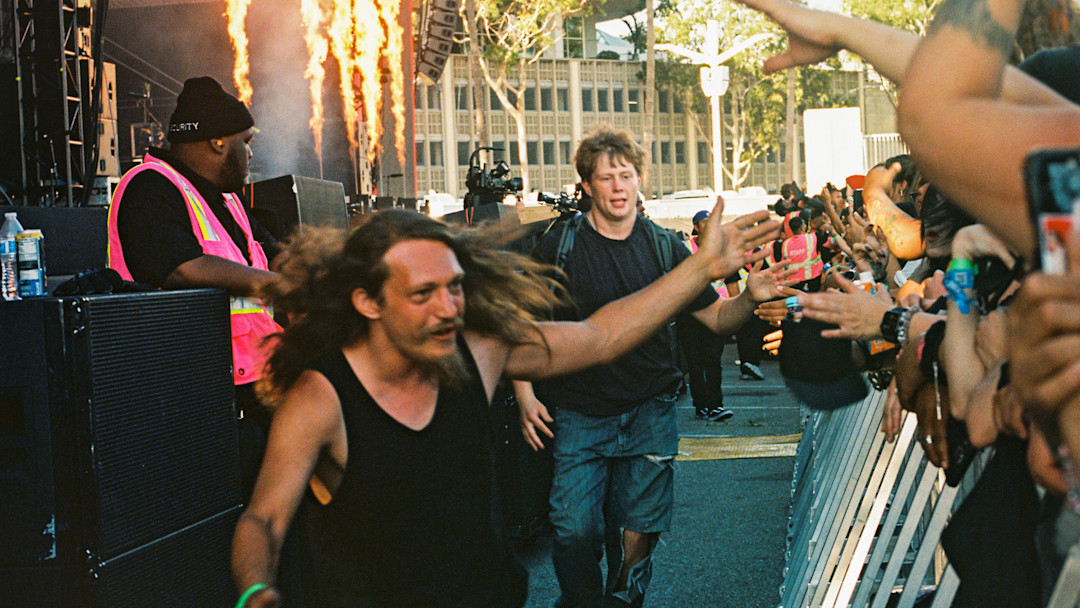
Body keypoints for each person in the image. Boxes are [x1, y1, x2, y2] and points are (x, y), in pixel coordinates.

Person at [231, 201, 782, 606]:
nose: (448, 308)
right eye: (422, 294)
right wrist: (256, 591)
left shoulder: (481, 350)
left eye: (454, 287)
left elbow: (599, 336)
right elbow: (262, 519)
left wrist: (699, 269)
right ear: (368, 302)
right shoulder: (322, 397)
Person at [514, 126, 788, 608]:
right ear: (587, 187)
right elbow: (520, 324)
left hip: (650, 409)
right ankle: (582, 601)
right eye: (606, 178)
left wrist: (750, 297)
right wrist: (524, 394)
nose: (619, 187)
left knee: (640, 527)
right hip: (580, 411)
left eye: (627, 175)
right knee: (574, 531)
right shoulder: (560, 245)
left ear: (640, 180)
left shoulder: (665, 248)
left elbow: (718, 319)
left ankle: (622, 598)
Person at [106, 76, 282, 498]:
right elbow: (178, 268)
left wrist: (326, 268)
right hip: (194, 395)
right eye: (246, 140)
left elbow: (272, 253)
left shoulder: (227, 199)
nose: (250, 152)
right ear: (218, 142)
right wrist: (277, 285)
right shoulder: (149, 186)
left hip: (255, 382)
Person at [680, 209, 735, 421]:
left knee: (713, 359)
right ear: (695, 226)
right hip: (690, 314)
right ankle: (700, 404)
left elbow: (731, 285)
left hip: (716, 313)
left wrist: (732, 313)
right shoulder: (685, 249)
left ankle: (715, 405)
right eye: (705, 221)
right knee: (695, 362)